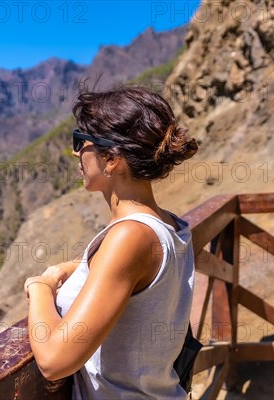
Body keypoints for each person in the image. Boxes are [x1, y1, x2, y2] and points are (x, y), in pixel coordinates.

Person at [24, 85, 199, 399]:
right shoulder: (171, 225)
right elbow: (134, 282)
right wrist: (81, 267)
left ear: (111, 159)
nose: (76, 153)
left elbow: (53, 361)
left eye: (81, 142)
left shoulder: (130, 237)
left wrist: (40, 285)